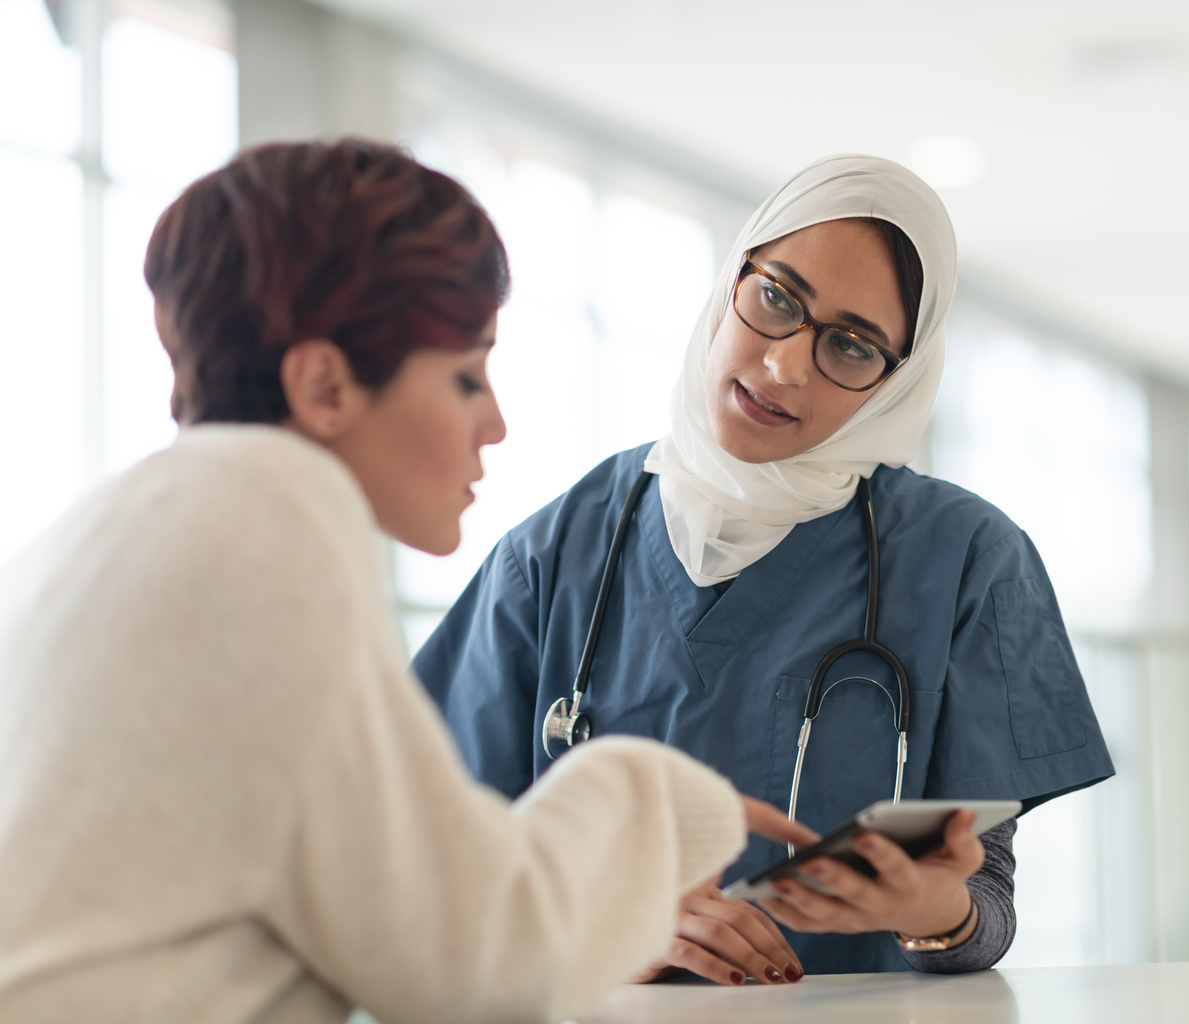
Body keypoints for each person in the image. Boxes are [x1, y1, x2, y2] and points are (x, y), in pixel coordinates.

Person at [0, 139, 812, 1024]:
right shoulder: (258, 538)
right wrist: (663, 801)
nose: (495, 424)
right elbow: (479, 966)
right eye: (468, 376)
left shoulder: (125, 530)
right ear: (325, 386)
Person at [414, 154, 1116, 980]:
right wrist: (601, 927)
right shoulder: (556, 552)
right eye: (778, 298)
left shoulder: (967, 561)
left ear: (897, 379)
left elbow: (985, 906)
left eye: (852, 347)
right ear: (732, 279)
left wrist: (932, 912)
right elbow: (436, 865)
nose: (785, 365)